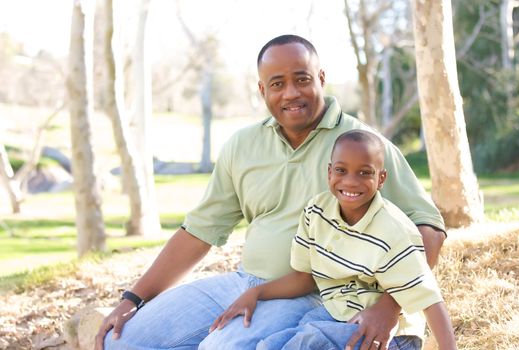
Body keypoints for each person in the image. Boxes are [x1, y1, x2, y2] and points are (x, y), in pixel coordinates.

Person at [96, 34, 447, 350]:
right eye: (277, 83)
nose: (291, 93)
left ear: (321, 79)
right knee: (121, 342)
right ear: (262, 91)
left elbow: (428, 230)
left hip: (316, 292)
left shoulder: (362, 148)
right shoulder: (243, 145)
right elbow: (198, 233)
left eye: (302, 79)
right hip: (244, 282)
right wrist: (132, 299)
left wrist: (389, 306)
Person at [209, 130, 457, 350]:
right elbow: (303, 278)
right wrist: (256, 292)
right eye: (341, 170)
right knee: (269, 345)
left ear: (381, 179)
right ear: (329, 172)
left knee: (304, 344)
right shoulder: (316, 212)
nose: (350, 181)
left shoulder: (394, 231)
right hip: (334, 314)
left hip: (389, 335)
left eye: (364, 173)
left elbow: (430, 299)